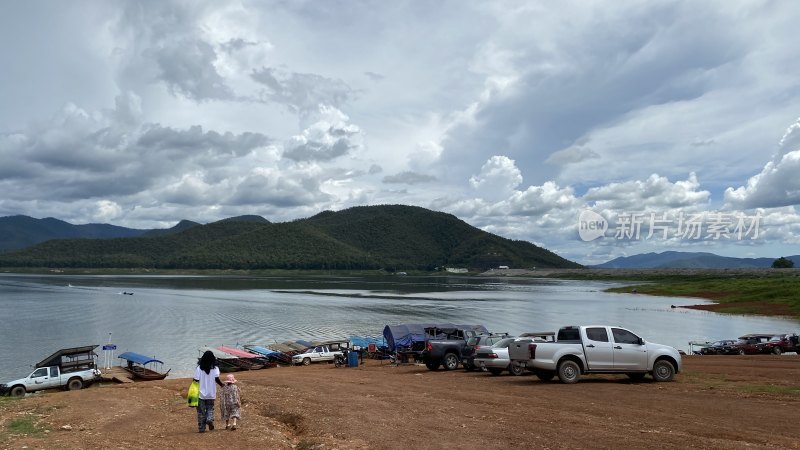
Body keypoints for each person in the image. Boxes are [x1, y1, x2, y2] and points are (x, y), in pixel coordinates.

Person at [193, 350, 224, 433]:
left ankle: (201, 428)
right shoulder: (216, 368)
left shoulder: (199, 368)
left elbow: (195, 380)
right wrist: (222, 385)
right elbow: (217, 379)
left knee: (200, 412)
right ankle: (209, 419)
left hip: (200, 394)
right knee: (210, 408)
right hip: (211, 393)